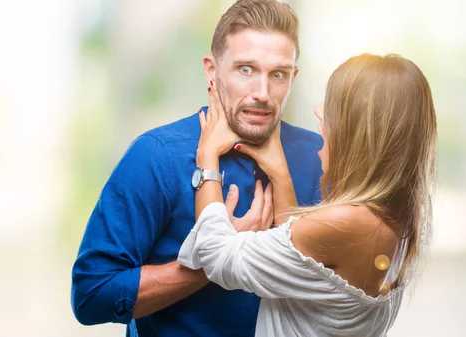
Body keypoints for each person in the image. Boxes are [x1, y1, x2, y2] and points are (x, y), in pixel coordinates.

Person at [70, 1, 323, 336]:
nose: (262, 93)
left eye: (278, 74)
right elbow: (92, 295)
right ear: (211, 71)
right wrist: (219, 258)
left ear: (293, 77)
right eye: (246, 69)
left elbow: (336, 290)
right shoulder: (156, 156)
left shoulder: (321, 158)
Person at [178, 53, 438, 336]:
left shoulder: (346, 222)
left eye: (334, 106)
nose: (318, 110)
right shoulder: (396, 216)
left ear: (359, 131)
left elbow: (214, 255)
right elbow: (305, 264)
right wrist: (279, 171)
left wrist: (207, 156)